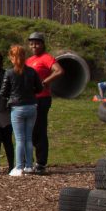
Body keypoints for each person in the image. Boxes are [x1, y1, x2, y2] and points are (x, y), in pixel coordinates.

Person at [1, 44, 44, 176]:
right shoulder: (32, 71)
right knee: (28, 138)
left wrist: (10, 97)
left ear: (12, 57)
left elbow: (3, 92)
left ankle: (19, 167)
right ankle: (29, 166)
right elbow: (40, 88)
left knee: (19, 139)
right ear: (24, 56)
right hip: (31, 106)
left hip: (17, 107)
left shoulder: (9, 72)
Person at [24, 32, 64, 175]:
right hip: (29, 99)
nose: (34, 46)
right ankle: (28, 161)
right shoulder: (29, 60)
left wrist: (45, 82)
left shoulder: (46, 58)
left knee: (40, 129)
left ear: (42, 44)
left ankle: (41, 163)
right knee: (30, 130)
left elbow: (59, 71)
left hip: (42, 98)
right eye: (32, 43)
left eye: (37, 43)